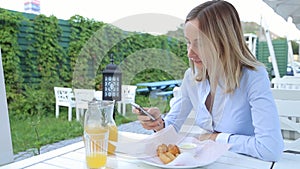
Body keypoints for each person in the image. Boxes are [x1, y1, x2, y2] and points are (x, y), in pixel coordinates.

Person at [133, 0, 284, 162]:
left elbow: (270, 148)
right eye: (188, 42)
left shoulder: (253, 76)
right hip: (206, 162)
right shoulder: (191, 77)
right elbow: (172, 128)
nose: (190, 53)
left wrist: (215, 138)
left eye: (200, 43)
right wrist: (158, 123)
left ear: (224, 41)